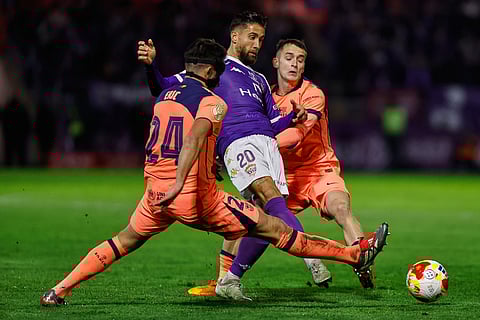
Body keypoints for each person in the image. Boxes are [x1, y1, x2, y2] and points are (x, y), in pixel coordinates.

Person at [40, 38, 389, 306]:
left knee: (121, 242)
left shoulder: (165, 96)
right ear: (209, 72)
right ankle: (352, 254)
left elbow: (185, 130)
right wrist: (183, 180)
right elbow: (194, 138)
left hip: (154, 197)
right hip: (196, 198)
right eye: (217, 73)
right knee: (274, 226)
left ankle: (59, 290)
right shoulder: (213, 102)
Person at [138, 11, 332, 300]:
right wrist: (151, 65)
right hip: (239, 143)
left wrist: (290, 117)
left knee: (266, 217)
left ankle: (230, 279)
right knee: (274, 202)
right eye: (252, 37)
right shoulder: (214, 66)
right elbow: (163, 86)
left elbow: (269, 123)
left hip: (267, 144)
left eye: (261, 39)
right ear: (235, 36)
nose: (257, 44)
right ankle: (310, 255)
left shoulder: (260, 81)